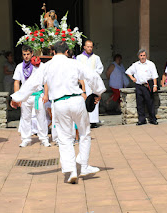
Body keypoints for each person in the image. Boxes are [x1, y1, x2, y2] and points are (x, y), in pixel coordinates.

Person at [10, 41, 106, 184]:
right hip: (76, 100)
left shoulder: (47, 66)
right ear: (67, 51)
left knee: (65, 138)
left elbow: (32, 83)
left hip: (60, 103)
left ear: (53, 52)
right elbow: (93, 76)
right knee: (84, 133)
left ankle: (71, 170)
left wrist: (17, 97)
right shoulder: (74, 63)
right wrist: (98, 93)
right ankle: (83, 166)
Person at [13, 45, 50, 148]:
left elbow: (46, 81)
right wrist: (17, 97)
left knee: (41, 117)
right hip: (25, 95)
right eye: (24, 54)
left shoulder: (39, 65)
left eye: (28, 54)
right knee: (25, 117)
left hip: (38, 95)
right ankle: (25, 139)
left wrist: (46, 94)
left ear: (32, 53)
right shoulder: (19, 67)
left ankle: (44, 138)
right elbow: (17, 82)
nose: (26, 56)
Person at [126, 49, 159, 125]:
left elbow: (154, 75)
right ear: (138, 56)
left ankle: (153, 119)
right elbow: (128, 71)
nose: (142, 57)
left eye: (144, 55)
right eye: (141, 56)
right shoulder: (135, 65)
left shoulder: (150, 64)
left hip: (147, 86)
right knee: (140, 103)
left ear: (146, 56)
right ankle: (141, 120)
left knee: (150, 103)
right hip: (139, 86)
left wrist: (155, 85)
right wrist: (132, 78)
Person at [76, 40, 104, 128]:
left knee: (93, 99)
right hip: (83, 82)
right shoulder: (79, 57)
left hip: (93, 82)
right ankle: (84, 120)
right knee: (83, 100)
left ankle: (93, 121)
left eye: (91, 47)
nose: (89, 48)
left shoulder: (96, 58)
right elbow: (77, 69)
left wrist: (92, 73)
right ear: (84, 47)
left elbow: (100, 68)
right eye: (88, 46)